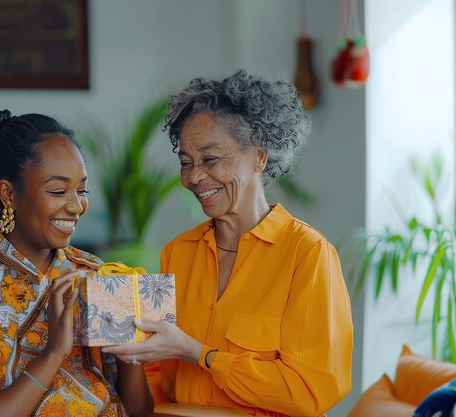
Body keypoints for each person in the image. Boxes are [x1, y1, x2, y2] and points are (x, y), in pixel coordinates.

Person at [103, 70, 354, 417]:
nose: (193, 177)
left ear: (260, 157)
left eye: (210, 159)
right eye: (186, 163)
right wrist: (124, 349)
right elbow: (154, 381)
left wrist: (199, 354)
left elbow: (310, 393)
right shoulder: (177, 252)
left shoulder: (307, 254)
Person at [0, 110, 153, 417]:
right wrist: (53, 353)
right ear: (8, 194)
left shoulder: (93, 272)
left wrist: (131, 351)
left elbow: (140, 412)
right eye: (58, 191)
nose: (77, 206)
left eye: (82, 190)